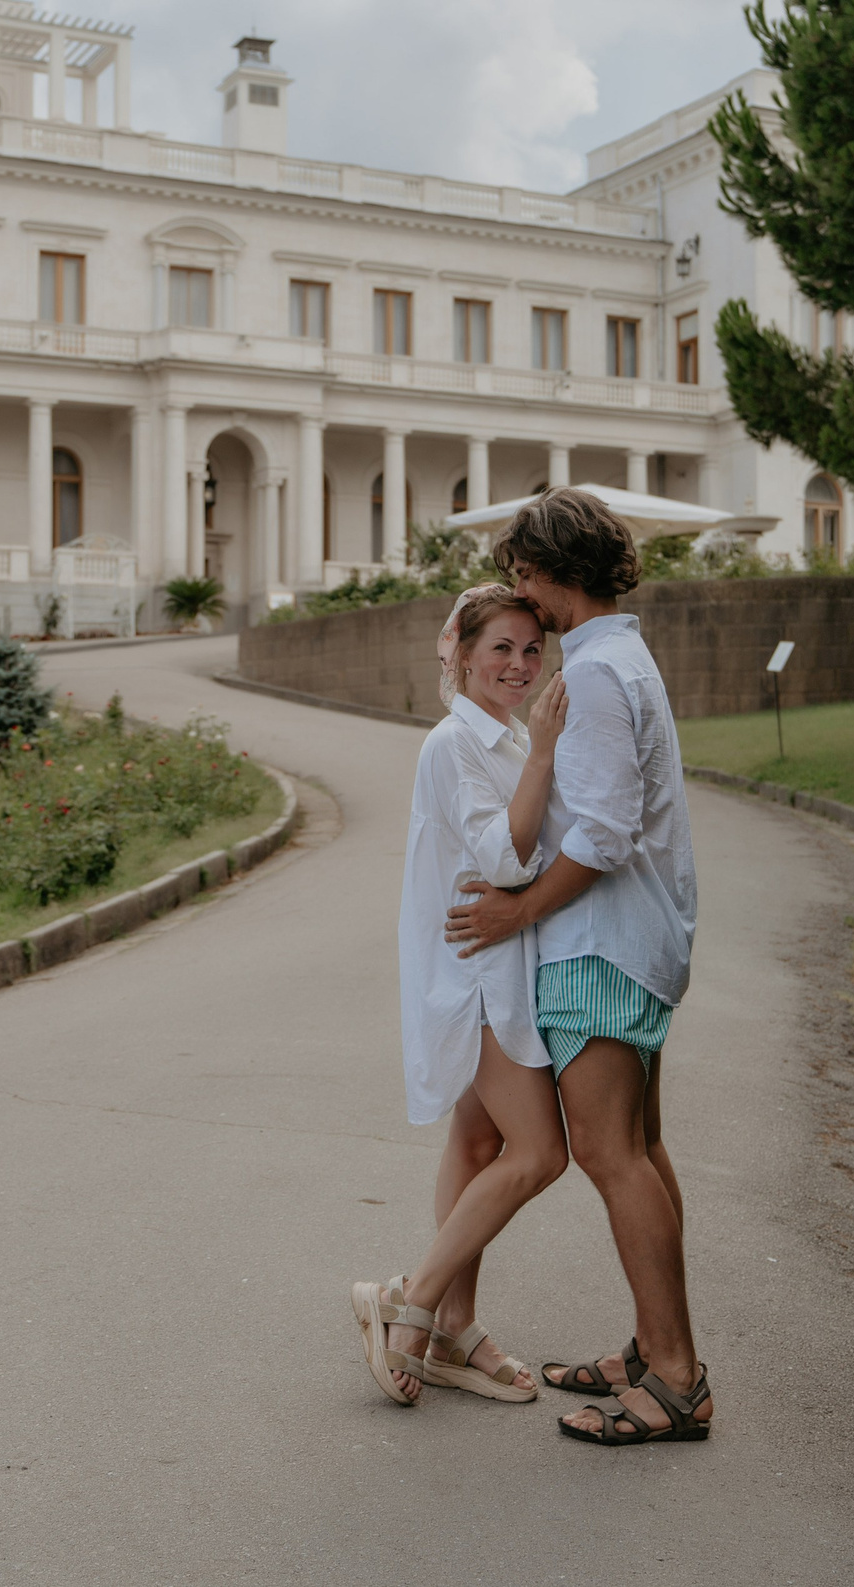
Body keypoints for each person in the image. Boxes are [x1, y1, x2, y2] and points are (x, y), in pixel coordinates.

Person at [445, 488, 709, 1447]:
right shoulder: (619, 659)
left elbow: (598, 834)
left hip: (599, 944)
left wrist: (517, 907)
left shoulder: (597, 674)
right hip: (636, 938)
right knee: (640, 1145)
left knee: (608, 1153)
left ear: (557, 570)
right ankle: (655, 1350)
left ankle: (674, 1378)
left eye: (523, 573)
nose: (521, 593)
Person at [351, 585, 571, 1406]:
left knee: (477, 1150)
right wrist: (546, 750)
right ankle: (410, 1303)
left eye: (531, 650)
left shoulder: (505, 739)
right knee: (541, 1152)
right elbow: (506, 859)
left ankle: (455, 1327)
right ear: (464, 655)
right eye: (502, 650)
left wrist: (535, 747)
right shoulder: (456, 744)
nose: (520, 665)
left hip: (505, 968)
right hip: (479, 977)